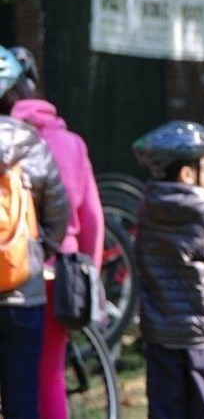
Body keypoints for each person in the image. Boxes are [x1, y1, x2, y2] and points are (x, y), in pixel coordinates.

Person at [6, 45, 105, 419]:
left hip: (11, 271)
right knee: (49, 374)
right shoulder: (71, 143)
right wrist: (89, 273)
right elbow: (92, 218)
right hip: (57, 272)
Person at [132, 121, 204, 418]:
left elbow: (141, 258)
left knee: (165, 411)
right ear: (186, 174)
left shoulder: (147, 208)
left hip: (161, 332)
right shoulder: (203, 212)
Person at [0, 45, 70, 418]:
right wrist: (36, 249)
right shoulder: (33, 146)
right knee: (22, 399)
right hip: (22, 292)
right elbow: (58, 214)